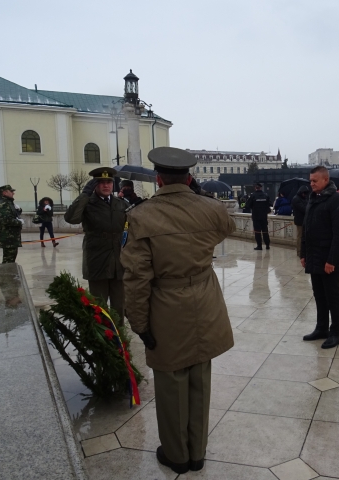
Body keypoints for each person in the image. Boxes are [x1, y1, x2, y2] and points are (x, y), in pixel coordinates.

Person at [121, 147, 235, 475]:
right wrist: (199, 197)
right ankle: (197, 453)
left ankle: (176, 455)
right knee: (200, 378)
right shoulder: (210, 209)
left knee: (172, 381)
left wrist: (139, 322)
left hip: (166, 305)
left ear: (158, 179)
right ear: (189, 178)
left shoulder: (140, 215)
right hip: (205, 300)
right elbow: (227, 226)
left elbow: (136, 277)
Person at [64, 167, 127, 320]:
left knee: (119, 305)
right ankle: (101, 334)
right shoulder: (87, 203)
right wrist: (85, 195)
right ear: (94, 185)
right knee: (99, 306)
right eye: (101, 182)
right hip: (97, 259)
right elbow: (71, 218)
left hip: (119, 261)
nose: (106, 185)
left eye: (109, 182)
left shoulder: (120, 204)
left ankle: (118, 333)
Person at [301, 166, 339, 349]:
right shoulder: (313, 199)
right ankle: (321, 328)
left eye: (315, 181)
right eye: (310, 181)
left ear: (326, 180)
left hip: (328, 258)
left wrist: (332, 260)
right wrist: (303, 253)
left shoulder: (337, 200)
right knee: (319, 295)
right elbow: (306, 228)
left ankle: (335, 333)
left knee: (332, 296)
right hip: (314, 256)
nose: (311, 184)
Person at [0, 185, 23, 264]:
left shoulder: (8, 203)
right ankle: (6, 272)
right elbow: (6, 220)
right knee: (8, 261)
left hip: (11, 237)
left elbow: (12, 215)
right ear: (5, 193)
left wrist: (18, 210)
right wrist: (20, 222)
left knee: (11, 259)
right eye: (11, 191)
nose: (13, 193)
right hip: (8, 237)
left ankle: (8, 271)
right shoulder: (3, 204)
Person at [245, 183, 272, 250]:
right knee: (265, 231)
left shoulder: (253, 195)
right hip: (264, 216)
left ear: (255, 188)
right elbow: (270, 204)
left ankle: (259, 246)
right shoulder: (265, 195)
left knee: (257, 232)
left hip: (256, 216)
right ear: (261, 188)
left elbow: (248, 205)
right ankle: (267, 245)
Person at [291, 185, 309, 257]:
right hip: (300, 221)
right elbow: (304, 209)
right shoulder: (296, 199)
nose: (305, 195)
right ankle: (299, 252)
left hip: (305, 220)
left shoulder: (304, 198)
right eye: (304, 193)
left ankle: (304, 251)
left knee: (304, 237)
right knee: (300, 237)